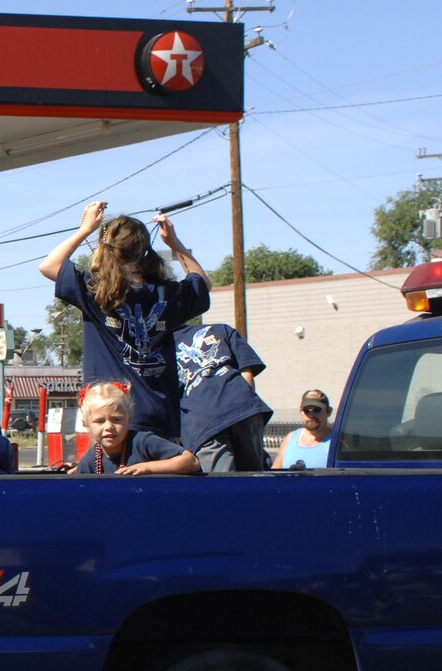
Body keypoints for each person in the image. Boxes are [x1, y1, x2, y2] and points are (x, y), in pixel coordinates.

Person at [41, 201, 211, 442]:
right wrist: (174, 244)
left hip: (109, 415)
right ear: (144, 252)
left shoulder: (97, 291)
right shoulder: (168, 293)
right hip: (160, 417)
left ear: (107, 247)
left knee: (112, 477)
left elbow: (49, 265)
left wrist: (85, 229)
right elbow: (203, 284)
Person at [174, 322, 272, 473]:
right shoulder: (220, 329)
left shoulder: (159, 347)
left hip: (202, 419)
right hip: (242, 405)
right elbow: (247, 373)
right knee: (254, 478)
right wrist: (246, 404)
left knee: (221, 486)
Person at [71, 382, 201, 476]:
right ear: (86, 424)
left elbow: (191, 461)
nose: (109, 427)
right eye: (100, 421)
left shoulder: (142, 442)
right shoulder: (91, 459)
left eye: (116, 419)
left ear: (129, 419)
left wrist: (147, 467)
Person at [274, 389, 336, 470]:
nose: (311, 415)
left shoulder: (337, 442)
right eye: (306, 410)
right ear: (301, 412)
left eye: (316, 410)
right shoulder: (290, 439)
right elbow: (275, 473)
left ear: (328, 412)